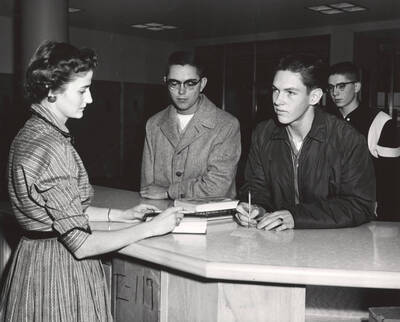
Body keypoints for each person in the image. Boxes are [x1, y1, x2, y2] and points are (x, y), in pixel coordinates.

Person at [0, 41, 184, 322]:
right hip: (59, 274)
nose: (90, 99)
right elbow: (81, 243)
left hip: (33, 264)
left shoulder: (29, 133)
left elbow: (62, 214)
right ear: (51, 90)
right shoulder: (52, 146)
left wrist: (121, 215)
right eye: (83, 90)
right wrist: (152, 229)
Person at [235, 54, 376, 231]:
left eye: (290, 92)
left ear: (314, 97)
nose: (277, 101)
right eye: (275, 90)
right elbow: (256, 187)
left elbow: (360, 205)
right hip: (278, 242)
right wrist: (256, 208)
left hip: (332, 246)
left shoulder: (347, 139)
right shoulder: (263, 133)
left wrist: (296, 216)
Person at [140, 51, 241, 200]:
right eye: (174, 83)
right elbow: (147, 190)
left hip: (211, 218)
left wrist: (169, 192)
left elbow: (217, 187)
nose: (182, 91)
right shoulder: (154, 124)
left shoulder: (226, 125)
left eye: (190, 83)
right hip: (162, 216)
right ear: (165, 81)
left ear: (202, 84)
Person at [327, 62, 399, 220]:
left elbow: (390, 177)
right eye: (331, 87)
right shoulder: (325, 121)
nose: (335, 93)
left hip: (370, 213)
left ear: (357, 87)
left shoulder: (382, 121)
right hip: (331, 210)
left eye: (341, 86)